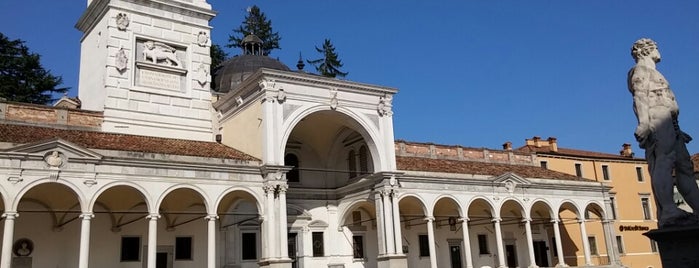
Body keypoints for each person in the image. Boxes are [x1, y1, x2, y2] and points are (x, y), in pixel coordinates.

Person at [628, 38, 699, 228]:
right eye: (655, 48)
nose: (658, 51)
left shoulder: (654, 72)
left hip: (671, 123)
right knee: (664, 160)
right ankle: (668, 209)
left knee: (685, 166)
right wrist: (644, 123)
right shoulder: (640, 71)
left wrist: (678, 129)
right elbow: (640, 97)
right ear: (645, 50)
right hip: (657, 119)